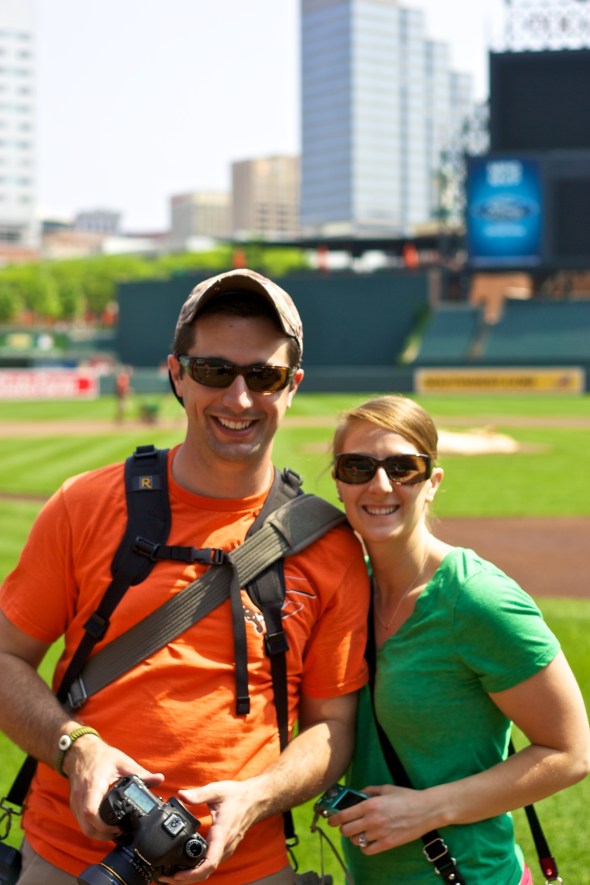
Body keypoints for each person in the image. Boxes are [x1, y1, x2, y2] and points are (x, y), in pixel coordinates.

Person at [0, 268, 370, 885]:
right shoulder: (84, 506)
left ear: (292, 387)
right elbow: (6, 657)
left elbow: (332, 726)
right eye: (214, 371)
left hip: (248, 866)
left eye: (265, 375)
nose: (239, 398)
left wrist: (260, 796)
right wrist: (76, 749)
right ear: (176, 373)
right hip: (70, 859)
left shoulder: (329, 545)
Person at [326, 394, 590, 884]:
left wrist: (427, 809)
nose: (380, 484)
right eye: (357, 466)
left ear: (432, 483)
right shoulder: (345, 593)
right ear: (339, 483)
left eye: (404, 467)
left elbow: (571, 752)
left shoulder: (476, 598)